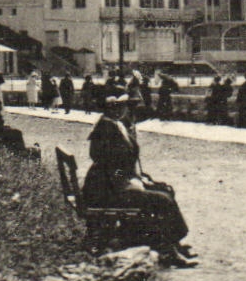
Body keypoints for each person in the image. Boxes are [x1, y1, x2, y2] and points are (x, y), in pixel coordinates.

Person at [82, 94, 195, 267]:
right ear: (109, 107)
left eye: (124, 106)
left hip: (113, 184)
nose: (122, 110)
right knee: (161, 199)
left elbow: (123, 162)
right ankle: (168, 251)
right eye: (118, 106)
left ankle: (173, 244)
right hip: (107, 190)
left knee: (164, 191)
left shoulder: (114, 125)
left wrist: (141, 178)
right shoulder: (106, 129)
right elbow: (110, 166)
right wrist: (135, 182)